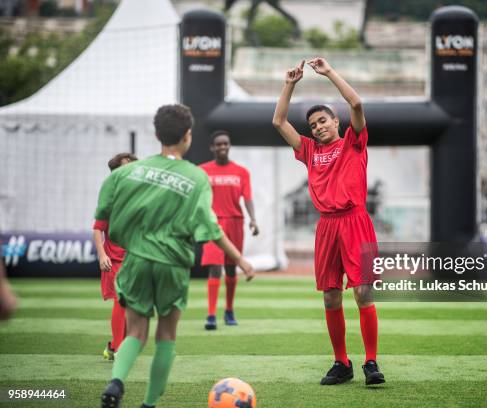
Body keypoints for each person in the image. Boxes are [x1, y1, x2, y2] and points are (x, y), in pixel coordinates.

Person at [97, 104, 255, 408]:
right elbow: (211, 227)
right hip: (172, 263)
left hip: (137, 261)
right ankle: (148, 404)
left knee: (136, 333)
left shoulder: (127, 173)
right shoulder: (196, 177)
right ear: (188, 136)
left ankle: (116, 381)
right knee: (166, 336)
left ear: (157, 135)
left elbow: (108, 221)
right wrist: (241, 260)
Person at [272, 58, 385, 386]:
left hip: (355, 222)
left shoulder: (353, 142)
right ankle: (341, 363)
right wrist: (290, 83)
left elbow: (357, 102)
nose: (318, 127)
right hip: (327, 228)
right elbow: (279, 121)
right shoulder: (308, 150)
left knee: (363, 293)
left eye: (323, 121)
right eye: (314, 125)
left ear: (336, 122)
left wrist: (329, 72)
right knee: (330, 297)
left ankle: (371, 363)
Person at [199, 130, 259, 330]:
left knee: (232, 267)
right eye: (218, 144)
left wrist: (253, 219)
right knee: (215, 267)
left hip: (235, 222)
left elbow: (248, 197)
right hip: (212, 223)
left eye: (225, 143)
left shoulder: (241, 171)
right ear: (212, 147)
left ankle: (229, 310)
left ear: (229, 145)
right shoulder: (202, 171)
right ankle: (210, 315)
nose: (222, 147)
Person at [93, 152, 138, 361]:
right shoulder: (109, 199)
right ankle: (120, 349)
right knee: (121, 301)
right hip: (114, 259)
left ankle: (112, 347)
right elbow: (97, 229)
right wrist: (102, 255)